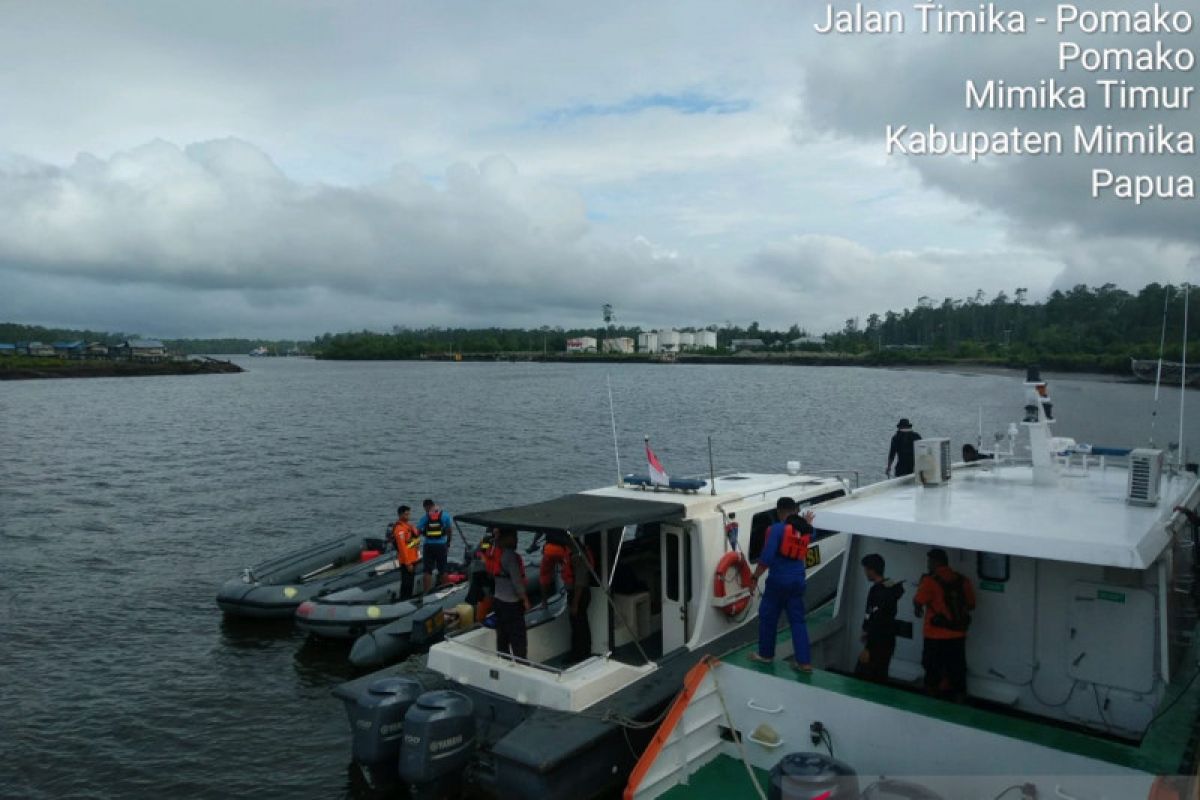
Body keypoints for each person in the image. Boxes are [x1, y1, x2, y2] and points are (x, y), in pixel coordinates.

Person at [748, 497, 815, 672]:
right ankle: (804, 662)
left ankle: (766, 655)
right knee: (798, 621)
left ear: (779, 512)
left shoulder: (776, 529)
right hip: (798, 581)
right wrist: (807, 523)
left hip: (778, 582)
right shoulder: (807, 530)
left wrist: (754, 578)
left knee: (767, 617)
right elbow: (810, 533)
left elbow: (766, 559)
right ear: (796, 510)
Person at [913, 548, 976, 702]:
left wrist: (921, 585)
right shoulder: (963, 580)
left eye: (929, 561)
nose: (928, 564)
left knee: (932, 671)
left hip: (934, 635)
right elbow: (972, 605)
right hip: (957, 635)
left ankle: (931, 704)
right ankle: (959, 703)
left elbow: (918, 602)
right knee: (957, 671)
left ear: (935, 562)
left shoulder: (929, 581)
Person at [855, 554, 904, 683]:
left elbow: (876, 619)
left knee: (863, 675)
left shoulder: (877, 591)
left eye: (866, 569)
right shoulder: (890, 586)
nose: (865, 573)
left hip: (877, 643)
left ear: (871, 570)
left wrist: (868, 648)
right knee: (881, 674)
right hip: (888, 640)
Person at [487, 527, 530, 660]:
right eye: (514, 537)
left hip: (498, 601)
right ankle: (521, 665)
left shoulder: (494, 553)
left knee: (502, 637)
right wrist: (525, 600)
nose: (516, 540)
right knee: (518, 639)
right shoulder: (510, 557)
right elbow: (517, 582)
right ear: (506, 538)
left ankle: (503, 662)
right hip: (511, 604)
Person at [566, 537, 596, 663]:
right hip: (583, 593)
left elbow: (580, 582)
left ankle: (579, 654)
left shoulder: (576, 556)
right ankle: (584, 652)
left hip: (579, 594)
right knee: (581, 624)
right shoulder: (580, 552)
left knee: (578, 625)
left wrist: (575, 603)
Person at [418, 498, 454, 593]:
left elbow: (417, 531)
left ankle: (426, 593)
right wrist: (448, 544)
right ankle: (447, 591)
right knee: (443, 570)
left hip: (428, 546)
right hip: (441, 546)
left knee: (427, 571)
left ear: (425, 507)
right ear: (434, 505)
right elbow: (450, 530)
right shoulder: (445, 515)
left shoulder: (425, 518)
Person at [389, 504, 422, 601]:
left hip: (413, 558)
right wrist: (408, 563)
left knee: (410, 582)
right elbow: (402, 548)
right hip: (406, 561)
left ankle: (408, 598)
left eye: (409, 514)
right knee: (406, 582)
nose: (408, 516)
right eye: (406, 515)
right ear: (400, 515)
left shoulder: (408, 526)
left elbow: (414, 539)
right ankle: (404, 599)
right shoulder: (400, 530)